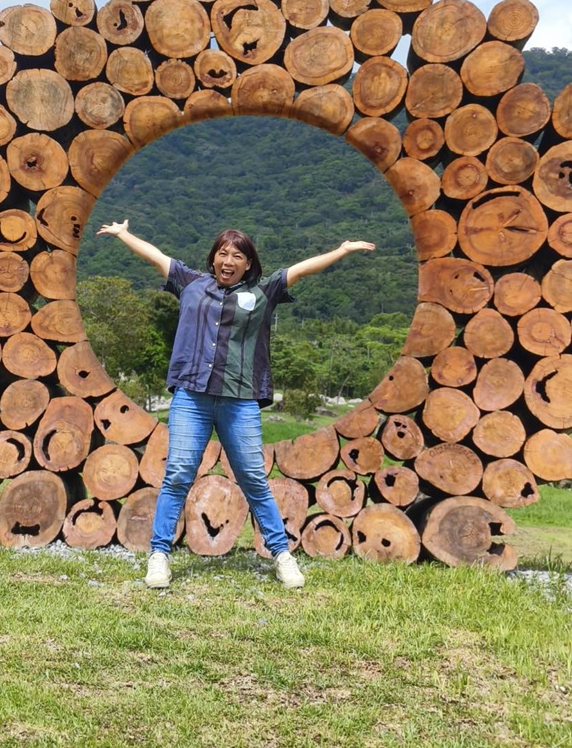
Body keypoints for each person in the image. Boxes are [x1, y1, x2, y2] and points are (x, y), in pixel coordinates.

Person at [96, 220, 375, 590]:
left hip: (239, 400)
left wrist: (341, 250)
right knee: (178, 474)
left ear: (248, 264)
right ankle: (159, 555)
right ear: (213, 259)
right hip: (191, 397)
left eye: (237, 255)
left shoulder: (263, 293)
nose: (228, 260)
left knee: (254, 480)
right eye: (222, 253)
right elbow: (157, 257)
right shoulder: (190, 282)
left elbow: (302, 269)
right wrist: (122, 235)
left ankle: (282, 557)